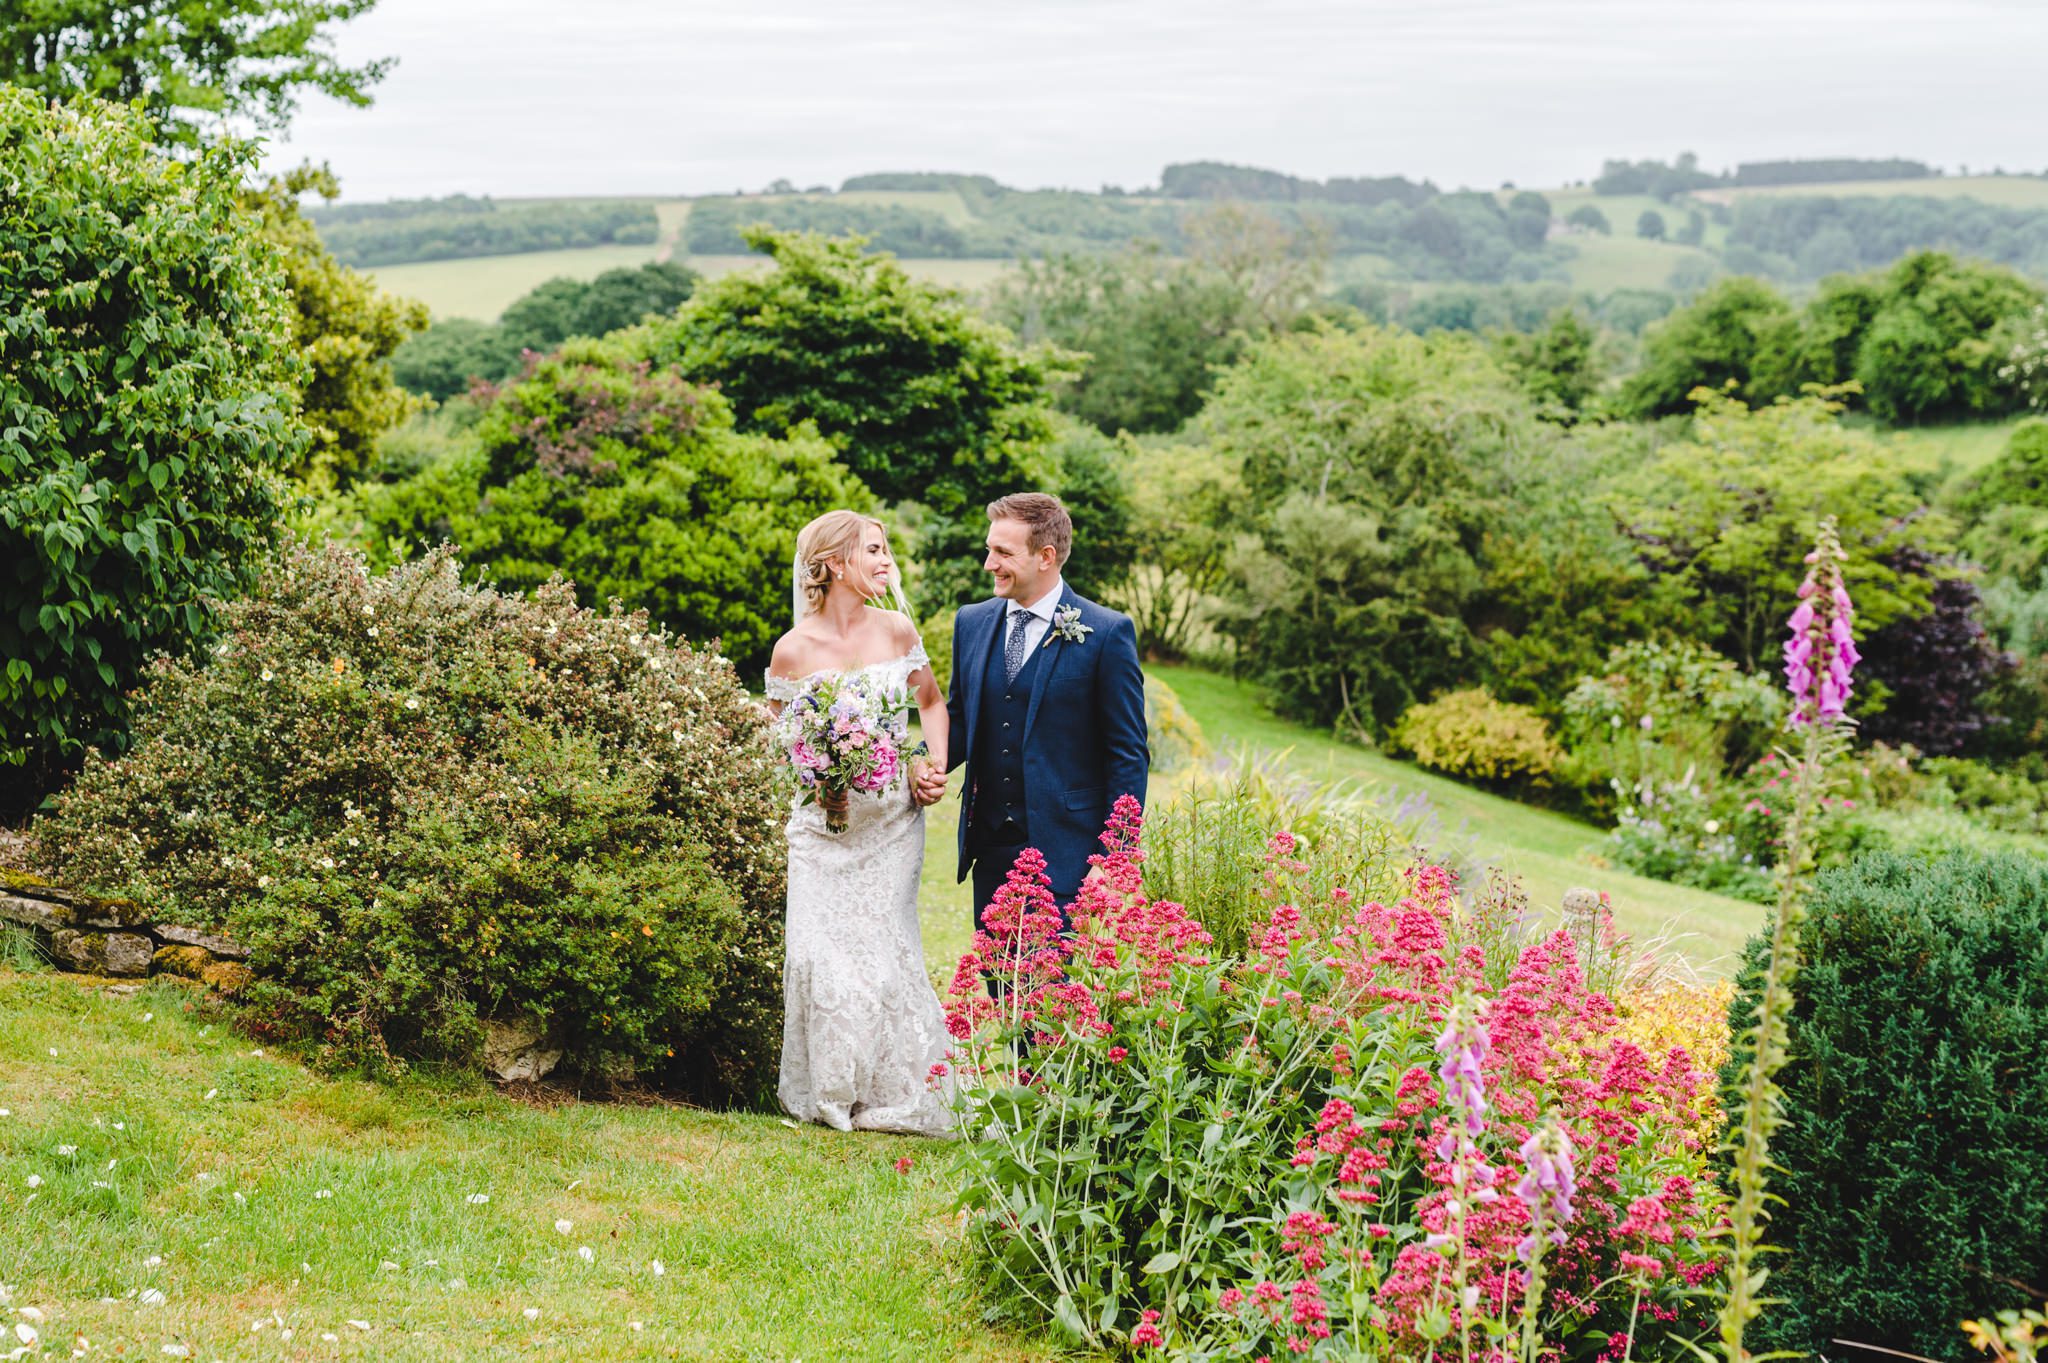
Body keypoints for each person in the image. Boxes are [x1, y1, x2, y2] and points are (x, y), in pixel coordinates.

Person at [764, 510, 952, 1136]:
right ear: (834, 564)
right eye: (873, 550)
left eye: (886, 550)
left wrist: (933, 765)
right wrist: (823, 784)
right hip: (821, 832)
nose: (885, 561)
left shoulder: (899, 632)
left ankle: (891, 1089)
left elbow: (931, 704)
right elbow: (780, 744)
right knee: (821, 954)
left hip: (893, 824)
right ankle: (830, 1089)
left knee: (882, 952)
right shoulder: (792, 651)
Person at [912, 492, 1149, 938]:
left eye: (1002, 552)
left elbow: (1128, 754)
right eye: (989, 549)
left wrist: (1115, 857)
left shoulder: (1106, 633)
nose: (988, 563)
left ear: (1046, 556)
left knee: (1055, 999)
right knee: (998, 990)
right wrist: (925, 760)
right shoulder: (972, 622)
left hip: (1069, 854)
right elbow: (962, 717)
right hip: (990, 848)